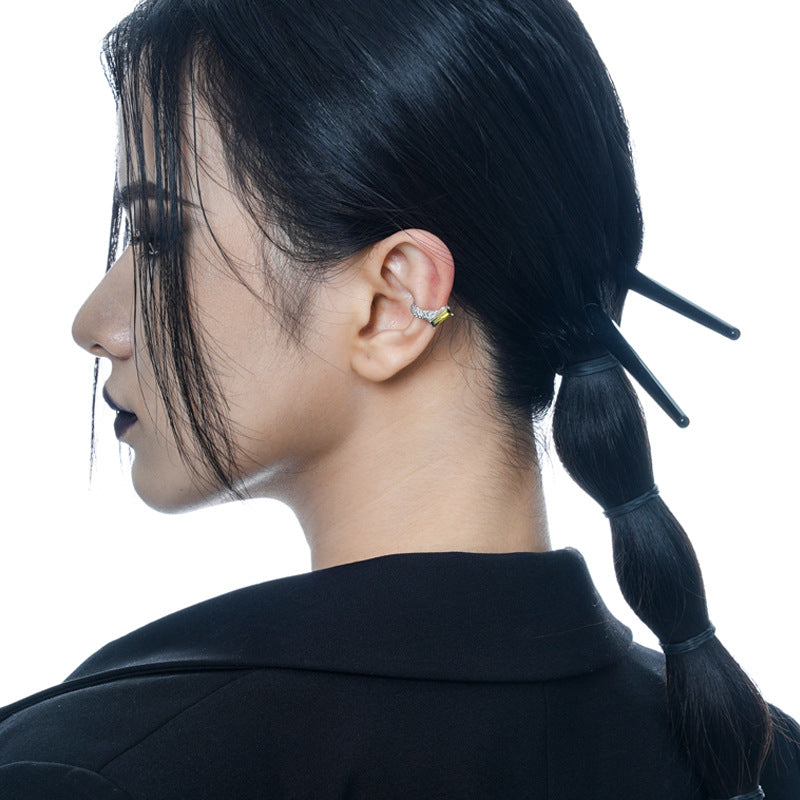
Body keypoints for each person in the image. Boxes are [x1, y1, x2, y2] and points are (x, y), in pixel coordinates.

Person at [0, 0, 797, 798]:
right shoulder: (759, 759)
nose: (93, 325)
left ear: (394, 305)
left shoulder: (93, 770)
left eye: (157, 237)